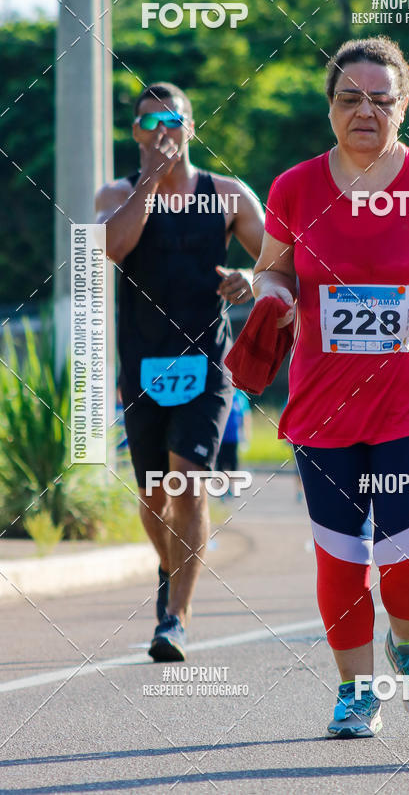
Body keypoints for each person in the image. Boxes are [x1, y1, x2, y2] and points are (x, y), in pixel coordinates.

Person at [252, 37, 409, 737]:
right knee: (342, 554)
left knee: (407, 550)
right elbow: (273, 269)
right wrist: (275, 298)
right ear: (330, 105)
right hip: (323, 402)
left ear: (403, 105)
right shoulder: (294, 187)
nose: (365, 111)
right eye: (350, 97)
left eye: (381, 100)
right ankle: (355, 691)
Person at [95, 82, 264, 660]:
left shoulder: (229, 195)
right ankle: (173, 570)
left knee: (187, 480)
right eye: (147, 122)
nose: (160, 130)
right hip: (143, 364)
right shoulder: (116, 193)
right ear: (136, 133)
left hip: (208, 362)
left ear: (192, 126)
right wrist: (149, 182)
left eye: (171, 119)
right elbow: (111, 248)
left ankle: (175, 618)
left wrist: (251, 280)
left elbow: (280, 263)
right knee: (152, 495)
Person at [216, 388, 252, 495]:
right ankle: (222, 488)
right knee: (220, 465)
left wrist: (246, 436)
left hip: (234, 438)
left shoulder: (240, 396)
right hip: (221, 437)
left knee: (233, 465)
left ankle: (230, 487)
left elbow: (246, 416)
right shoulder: (221, 391)